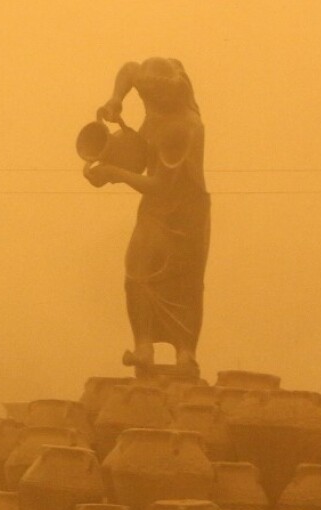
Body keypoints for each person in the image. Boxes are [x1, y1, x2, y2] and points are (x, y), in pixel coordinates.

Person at [84, 57, 210, 374]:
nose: (150, 103)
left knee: (185, 281)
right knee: (136, 270)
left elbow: (159, 185)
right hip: (155, 210)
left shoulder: (184, 128)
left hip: (185, 211)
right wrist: (116, 99)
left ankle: (185, 353)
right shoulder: (158, 82)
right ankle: (143, 347)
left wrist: (115, 173)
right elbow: (129, 68)